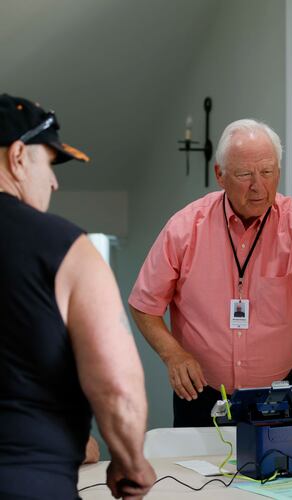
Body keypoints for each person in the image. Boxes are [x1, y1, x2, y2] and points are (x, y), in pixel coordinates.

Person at [129, 119, 292, 430]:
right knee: (190, 478)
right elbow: (143, 304)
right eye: (245, 174)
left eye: (267, 172)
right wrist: (173, 355)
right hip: (202, 396)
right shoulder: (185, 228)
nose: (258, 186)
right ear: (220, 175)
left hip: (283, 395)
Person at [0, 94, 155, 499]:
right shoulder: (67, 249)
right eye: (49, 165)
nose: (54, 181)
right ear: (18, 156)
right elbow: (116, 386)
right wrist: (130, 463)